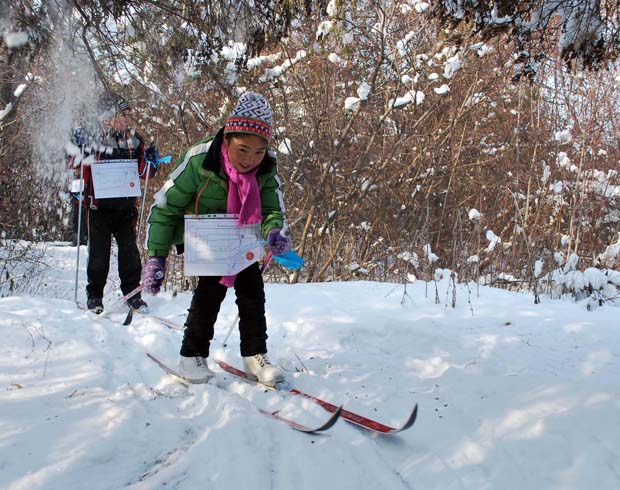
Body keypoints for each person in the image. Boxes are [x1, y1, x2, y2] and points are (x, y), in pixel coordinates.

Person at [141, 92, 292, 387]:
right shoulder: (199, 162)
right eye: (243, 149)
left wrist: (275, 232)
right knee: (209, 295)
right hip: (208, 242)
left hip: (244, 240)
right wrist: (157, 256)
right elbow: (165, 206)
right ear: (226, 139)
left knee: (252, 294)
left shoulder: (267, 169)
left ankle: (255, 356)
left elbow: (274, 209)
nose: (250, 160)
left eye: (259, 152)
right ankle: (192, 355)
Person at [82, 97, 158, 314]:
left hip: (125, 210)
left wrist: (152, 160)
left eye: (128, 115)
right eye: (123, 115)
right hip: (99, 209)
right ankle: (95, 296)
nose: (128, 119)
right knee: (98, 254)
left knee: (129, 253)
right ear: (108, 119)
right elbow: (77, 165)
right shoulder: (94, 140)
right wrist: (77, 148)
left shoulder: (135, 142)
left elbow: (146, 173)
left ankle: (133, 295)